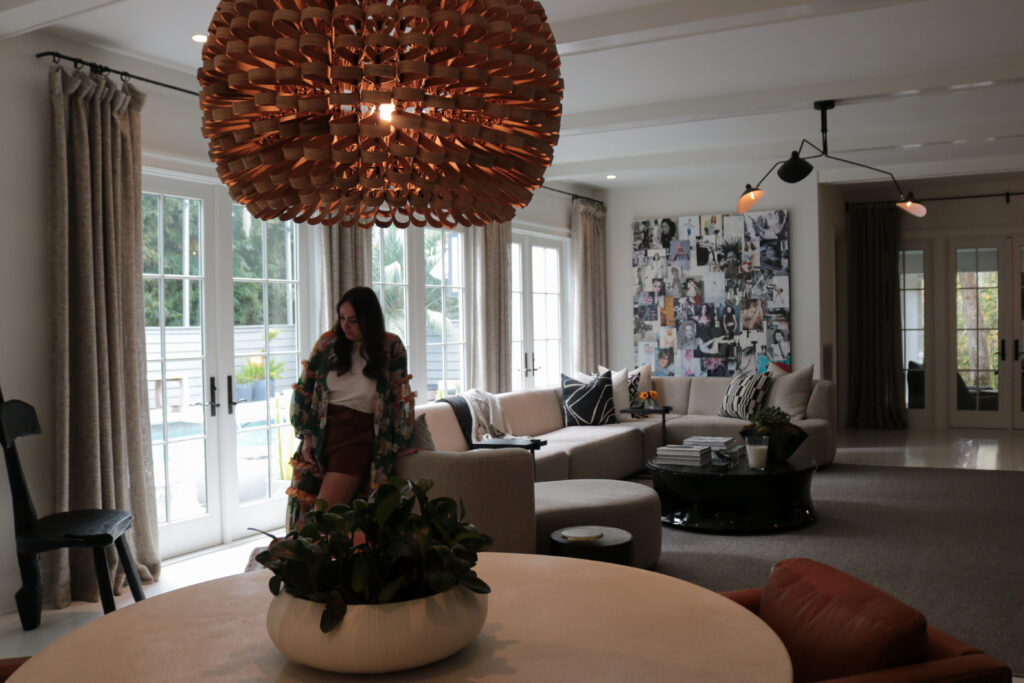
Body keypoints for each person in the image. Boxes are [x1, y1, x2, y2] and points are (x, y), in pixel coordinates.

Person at [287, 286, 416, 531]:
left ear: (370, 319)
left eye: (354, 320)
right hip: (323, 434)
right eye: (342, 318)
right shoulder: (328, 343)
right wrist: (306, 439)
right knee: (315, 519)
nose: (346, 326)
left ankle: (290, 563)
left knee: (322, 517)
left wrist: (401, 442)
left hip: (357, 437)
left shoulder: (390, 346)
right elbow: (304, 389)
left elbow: (399, 397)